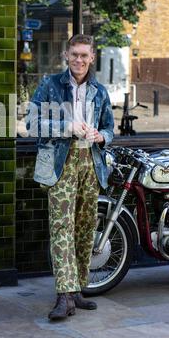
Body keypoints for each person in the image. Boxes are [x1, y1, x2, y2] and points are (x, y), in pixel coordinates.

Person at [29, 34, 114, 321]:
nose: (79, 60)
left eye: (84, 55)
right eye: (74, 54)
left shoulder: (100, 91)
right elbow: (31, 121)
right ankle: (64, 296)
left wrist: (102, 136)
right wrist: (67, 126)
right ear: (66, 55)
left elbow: (110, 128)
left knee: (85, 227)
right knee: (61, 227)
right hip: (60, 161)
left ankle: (77, 289)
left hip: (90, 161)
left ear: (92, 58)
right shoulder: (50, 85)